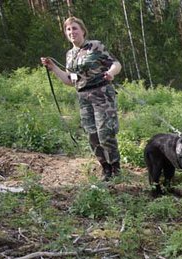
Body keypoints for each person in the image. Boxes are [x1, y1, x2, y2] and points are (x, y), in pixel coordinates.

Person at [41, 16, 122, 181]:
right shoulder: (70, 55)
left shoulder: (95, 46)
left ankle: (116, 168)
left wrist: (111, 73)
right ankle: (105, 169)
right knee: (92, 134)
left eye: (75, 28)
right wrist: (52, 67)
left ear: (83, 30)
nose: (72, 32)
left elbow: (116, 64)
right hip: (84, 97)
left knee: (105, 133)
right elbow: (69, 80)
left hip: (102, 94)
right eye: (68, 29)